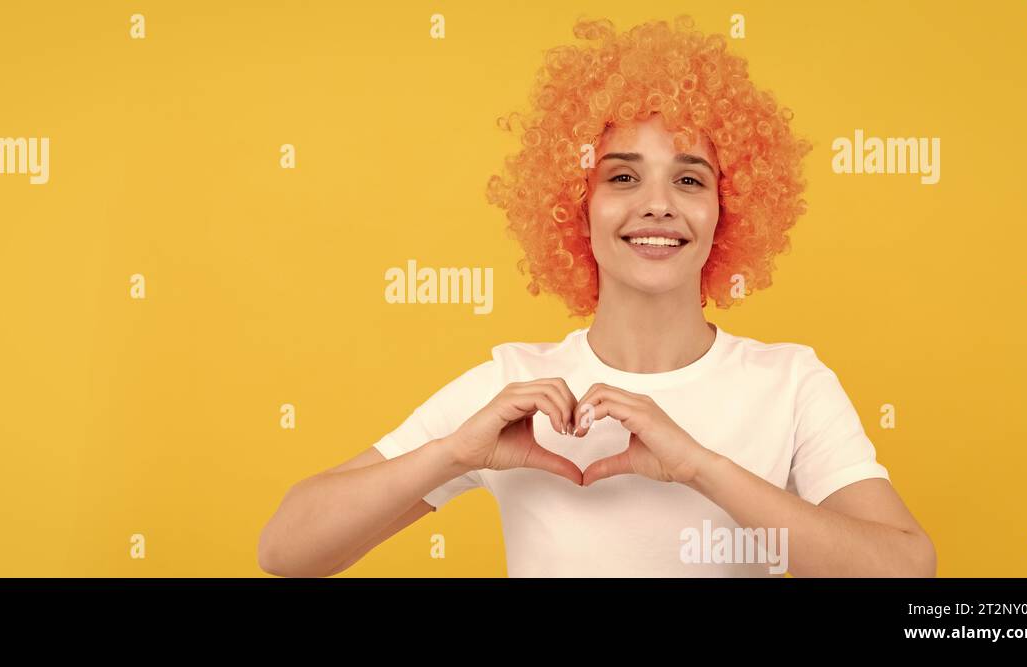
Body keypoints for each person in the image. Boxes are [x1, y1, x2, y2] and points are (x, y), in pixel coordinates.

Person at [258, 15, 935, 577]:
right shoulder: (513, 386)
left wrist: (700, 465)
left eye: (691, 180)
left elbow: (907, 570)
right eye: (622, 177)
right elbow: (285, 549)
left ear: (729, 211)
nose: (658, 206)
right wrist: (453, 453)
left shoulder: (790, 382)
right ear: (574, 206)